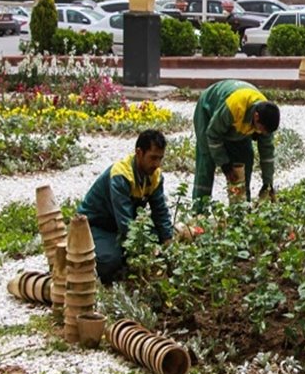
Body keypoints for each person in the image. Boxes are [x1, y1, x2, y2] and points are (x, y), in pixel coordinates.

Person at [77, 130, 172, 284]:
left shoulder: (155, 176)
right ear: (139, 153)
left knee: (160, 240)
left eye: (160, 158)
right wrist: (147, 252)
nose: (157, 164)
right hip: (96, 226)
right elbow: (125, 223)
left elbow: (160, 212)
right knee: (110, 261)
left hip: (118, 227)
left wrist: (168, 243)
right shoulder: (120, 176)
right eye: (153, 158)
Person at [193, 80, 280, 209]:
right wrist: (224, 164)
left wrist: (268, 183)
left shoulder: (266, 116)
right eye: (261, 130)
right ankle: (199, 211)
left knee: (244, 159)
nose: (262, 133)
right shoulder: (234, 106)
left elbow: (267, 151)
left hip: (238, 123)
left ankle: (240, 209)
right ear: (256, 117)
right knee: (207, 159)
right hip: (209, 110)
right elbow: (213, 134)